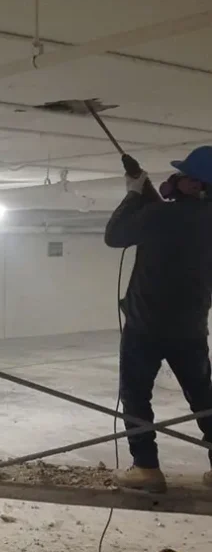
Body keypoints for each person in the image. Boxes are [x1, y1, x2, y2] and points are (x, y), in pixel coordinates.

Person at [104, 146, 212, 493]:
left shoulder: (159, 216)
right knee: (204, 398)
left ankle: (147, 469)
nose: (176, 178)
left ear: (197, 185)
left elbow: (115, 236)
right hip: (191, 328)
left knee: (136, 396)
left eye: (184, 176)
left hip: (146, 326)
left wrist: (134, 193)